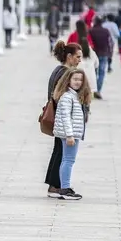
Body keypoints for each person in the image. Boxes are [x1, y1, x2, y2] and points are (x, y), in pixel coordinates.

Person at [44, 41, 83, 198]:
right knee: (63, 153)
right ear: (69, 56)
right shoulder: (65, 73)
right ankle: (57, 185)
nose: (80, 60)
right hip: (63, 118)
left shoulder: (58, 70)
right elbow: (63, 97)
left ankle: (54, 184)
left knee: (58, 150)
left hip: (59, 117)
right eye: (77, 57)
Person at [52, 68, 91, 201]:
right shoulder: (68, 97)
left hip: (72, 133)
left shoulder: (74, 96)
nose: (78, 82)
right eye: (75, 79)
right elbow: (65, 117)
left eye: (80, 79)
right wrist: (69, 135)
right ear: (68, 80)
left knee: (67, 160)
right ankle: (65, 188)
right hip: (70, 134)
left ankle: (65, 187)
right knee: (68, 160)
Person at [87, 17, 113, 99]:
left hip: (94, 54)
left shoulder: (91, 30)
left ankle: (93, 89)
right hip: (104, 53)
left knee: (93, 72)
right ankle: (98, 90)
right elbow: (110, 42)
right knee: (102, 73)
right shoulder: (106, 31)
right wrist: (110, 53)